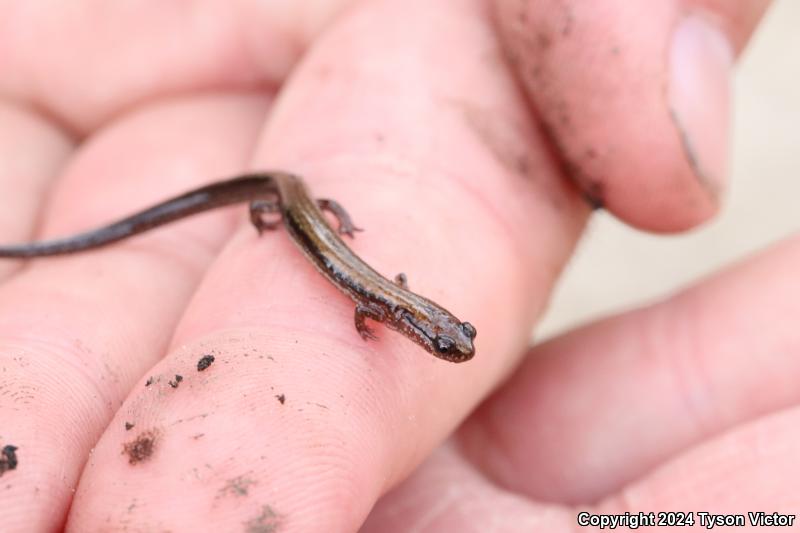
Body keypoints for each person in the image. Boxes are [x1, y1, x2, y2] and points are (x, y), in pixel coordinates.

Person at [0, 1, 784, 531]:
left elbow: (381, 297)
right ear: (420, 326)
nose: (446, 341)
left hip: (301, 201)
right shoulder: (382, 304)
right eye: (446, 339)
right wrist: (329, 269)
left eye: (448, 338)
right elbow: (367, 304)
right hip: (286, 200)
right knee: (280, 217)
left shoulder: (395, 300)